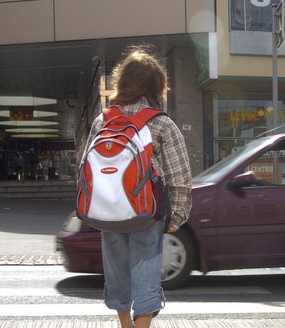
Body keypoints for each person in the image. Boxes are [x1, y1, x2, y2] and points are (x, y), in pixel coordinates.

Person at [81, 45, 192, 328]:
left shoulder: (102, 121)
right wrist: (176, 217)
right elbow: (179, 177)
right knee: (146, 271)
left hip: (107, 211)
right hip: (145, 212)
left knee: (116, 271)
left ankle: (124, 324)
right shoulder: (161, 124)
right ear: (156, 87)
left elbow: (85, 168)